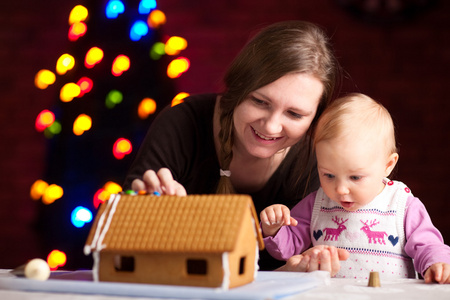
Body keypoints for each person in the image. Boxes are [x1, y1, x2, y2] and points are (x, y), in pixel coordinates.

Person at [123, 20, 341, 271]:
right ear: (237, 89)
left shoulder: (318, 158)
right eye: (260, 101)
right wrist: (142, 209)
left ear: (315, 117)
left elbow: (293, 267)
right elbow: (124, 245)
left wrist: (297, 270)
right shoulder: (182, 123)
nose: (271, 126)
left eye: (294, 114)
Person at [260, 93, 450, 283]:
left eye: (355, 177)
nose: (341, 189)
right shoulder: (316, 204)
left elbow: (428, 245)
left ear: (388, 165)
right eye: (329, 175)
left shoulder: (402, 204)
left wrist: (437, 263)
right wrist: (274, 229)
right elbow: (287, 251)